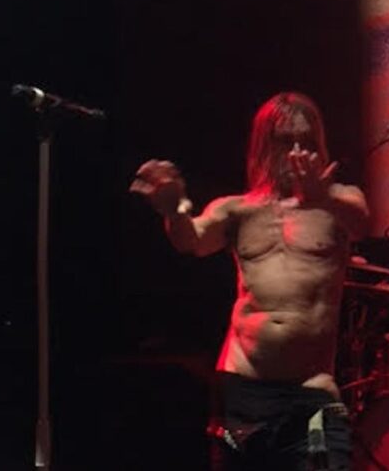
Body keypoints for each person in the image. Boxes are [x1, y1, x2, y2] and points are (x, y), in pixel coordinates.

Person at [130, 92, 368, 471]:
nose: (297, 152)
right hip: (242, 390)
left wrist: (322, 197)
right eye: (285, 141)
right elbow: (191, 240)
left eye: (306, 142)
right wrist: (174, 210)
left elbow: (362, 222)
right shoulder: (236, 209)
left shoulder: (339, 202)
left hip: (312, 392)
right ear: (264, 147)